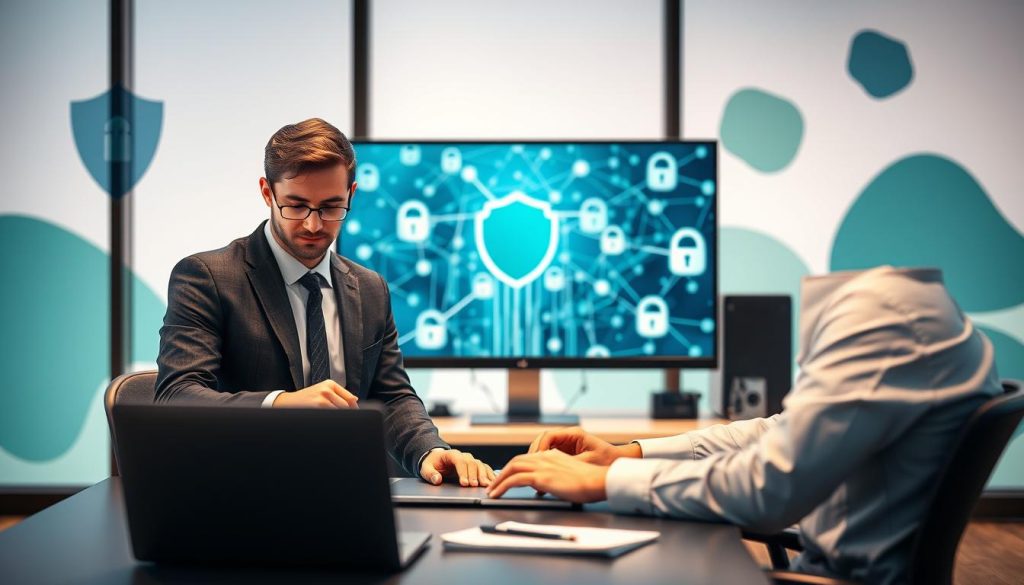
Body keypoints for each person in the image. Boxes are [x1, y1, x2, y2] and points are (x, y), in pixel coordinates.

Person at [487, 267, 1001, 584]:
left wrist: (606, 481)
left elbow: (768, 487)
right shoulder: (927, 315)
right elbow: (776, 433)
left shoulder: (886, 318)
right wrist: (629, 455)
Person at [156, 118, 493, 488]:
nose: (314, 226)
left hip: (345, 492)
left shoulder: (370, 289)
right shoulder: (208, 276)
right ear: (267, 193)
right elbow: (177, 395)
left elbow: (391, 396)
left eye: (332, 207)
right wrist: (281, 405)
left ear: (352, 194)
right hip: (240, 493)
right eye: (296, 206)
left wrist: (430, 450)